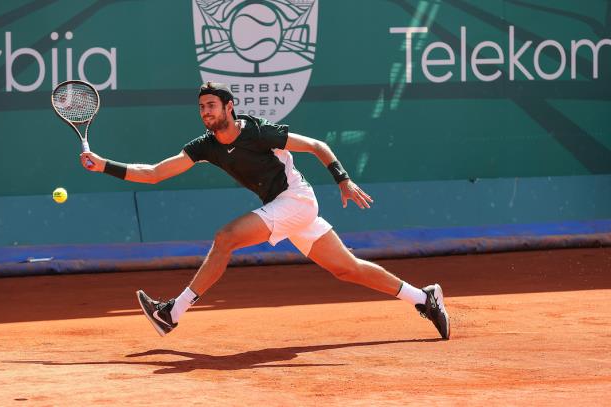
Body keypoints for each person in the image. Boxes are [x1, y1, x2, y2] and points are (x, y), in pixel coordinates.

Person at [80, 82, 450, 340]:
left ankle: (172, 312)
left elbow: (317, 146)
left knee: (225, 238)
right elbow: (155, 173)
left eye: (211, 106)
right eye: (201, 108)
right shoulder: (205, 145)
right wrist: (104, 165)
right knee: (347, 268)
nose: (205, 112)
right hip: (283, 207)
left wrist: (343, 180)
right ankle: (424, 297)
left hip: (296, 200)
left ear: (229, 107)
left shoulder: (258, 132)